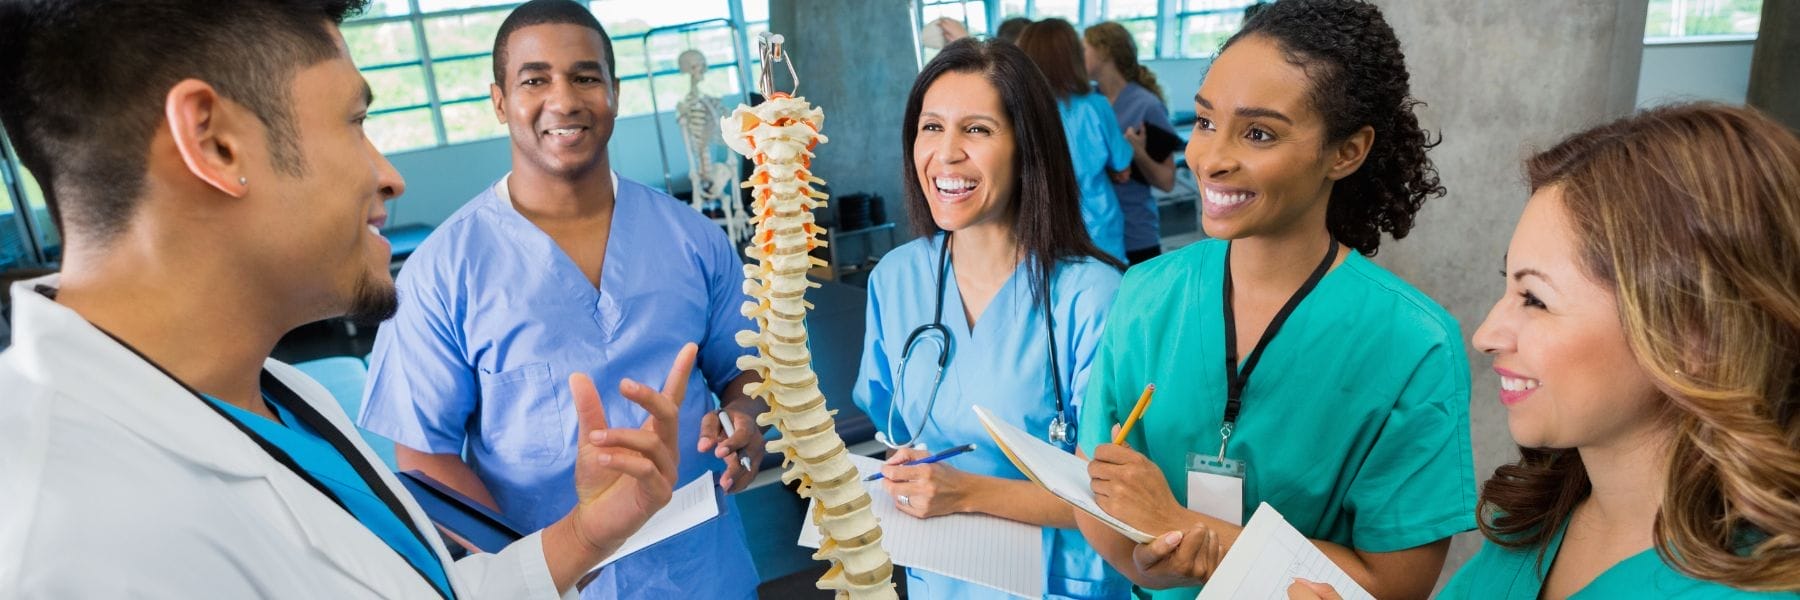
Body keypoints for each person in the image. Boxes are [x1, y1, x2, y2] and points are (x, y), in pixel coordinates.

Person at [0, 1, 691, 597]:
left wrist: (585, 533)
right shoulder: (65, 547)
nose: (389, 176)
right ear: (214, 143)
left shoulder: (281, 399)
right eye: (354, 121)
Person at [1291, 104, 1800, 599]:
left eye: (1535, 298)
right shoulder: (1536, 523)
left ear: (1694, 335)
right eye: (1508, 286)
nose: (1486, 334)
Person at [356, 1, 765, 598]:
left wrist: (744, 422)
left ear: (615, 93)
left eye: (585, 76)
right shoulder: (443, 272)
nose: (565, 99)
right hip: (556, 585)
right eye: (534, 79)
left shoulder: (693, 239)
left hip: (704, 573)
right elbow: (425, 458)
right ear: (500, 101)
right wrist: (533, 570)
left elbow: (743, 371)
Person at [1073, 1, 1471, 598]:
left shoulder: (1414, 346)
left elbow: (1394, 581)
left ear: (1346, 152)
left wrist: (1187, 533)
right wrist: (1149, 561)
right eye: (1206, 122)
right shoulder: (1145, 293)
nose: (1210, 159)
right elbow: (1097, 487)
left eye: (1258, 133)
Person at [853, 38, 1129, 599]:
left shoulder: (1092, 295)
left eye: (976, 130)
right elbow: (896, 429)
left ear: (1027, 148)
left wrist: (963, 491)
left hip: (1058, 584)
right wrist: (907, 472)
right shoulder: (896, 279)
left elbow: (1114, 499)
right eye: (931, 128)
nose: (946, 154)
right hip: (941, 578)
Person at [1017, 18, 1134, 263]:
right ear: (1073, 57)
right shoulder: (1095, 105)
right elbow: (1123, 169)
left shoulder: (1019, 112)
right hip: (1099, 230)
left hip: (1041, 230)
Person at [1083, 21, 1179, 265]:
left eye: (1084, 49)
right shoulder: (1086, 102)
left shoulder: (1146, 105)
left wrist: (1137, 152)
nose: (1077, 57)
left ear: (1104, 52)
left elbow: (1167, 182)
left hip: (1136, 232)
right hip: (1095, 233)